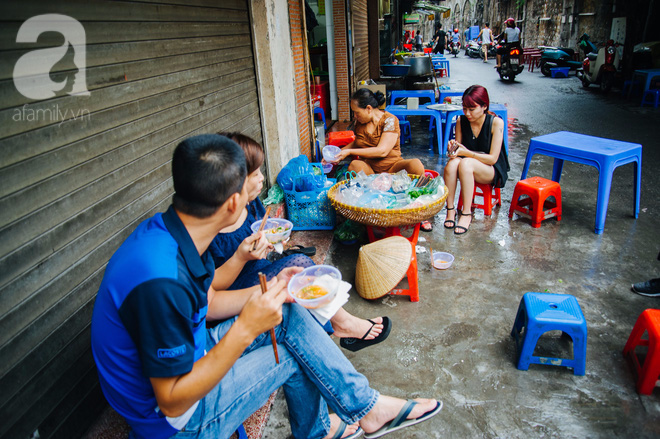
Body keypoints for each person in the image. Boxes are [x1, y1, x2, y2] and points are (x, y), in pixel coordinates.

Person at [91, 133, 442, 439]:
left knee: (288, 309)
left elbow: (208, 302)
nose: (257, 184)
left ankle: (364, 408)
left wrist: (273, 287)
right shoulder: (160, 282)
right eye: (250, 180)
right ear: (233, 203)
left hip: (194, 353)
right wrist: (246, 328)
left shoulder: (170, 232)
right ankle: (338, 422)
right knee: (295, 352)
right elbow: (172, 400)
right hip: (177, 422)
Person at [209, 132, 391, 351]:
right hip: (234, 293)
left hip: (259, 270)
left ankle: (340, 324)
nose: (262, 179)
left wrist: (271, 241)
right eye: (255, 173)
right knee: (300, 266)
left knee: (299, 269)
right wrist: (240, 257)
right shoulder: (206, 230)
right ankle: (343, 324)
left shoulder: (250, 205)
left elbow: (261, 239)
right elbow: (210, 293)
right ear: (232, 179)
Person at [443, 85, 509, 235]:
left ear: (484, 106)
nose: (467, 113)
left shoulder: (496, 123)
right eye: (464, 108)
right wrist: (453, 149)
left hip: (490, 169)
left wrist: (466, 153)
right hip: (468, 165)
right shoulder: (461, 120)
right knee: (452, 165)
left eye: (472, 109)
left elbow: (492, 159)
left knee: (466, 163)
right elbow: (459, 152)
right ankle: (450, 210)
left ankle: (466, 214)